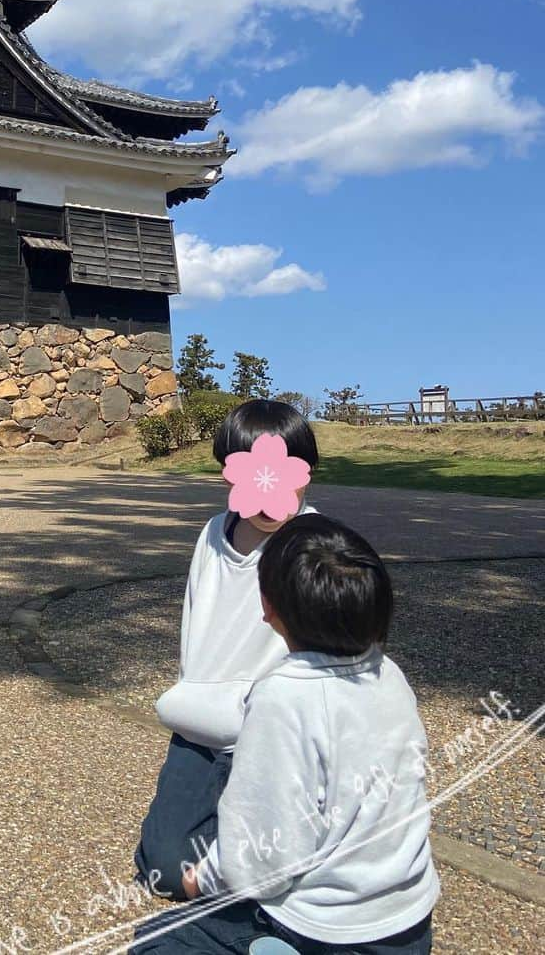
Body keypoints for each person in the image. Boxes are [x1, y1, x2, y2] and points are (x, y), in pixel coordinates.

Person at [133, 515, 438, 953]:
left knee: (155, 941)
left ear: (268, 607)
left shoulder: (283, 697)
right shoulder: (389, 675)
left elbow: (267, 853)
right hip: (407, 921)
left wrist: (201, 878)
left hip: (322, 928)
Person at [135, 400, 320, 901]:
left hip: (274, 738)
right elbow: (198, 617)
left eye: (283, 473)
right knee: (163, 871)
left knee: (277, 874)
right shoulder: (214, 534)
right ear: (228, 475)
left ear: (306, 474)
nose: (268, 492)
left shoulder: (313, 545)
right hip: (199, 727)